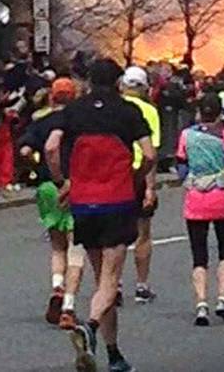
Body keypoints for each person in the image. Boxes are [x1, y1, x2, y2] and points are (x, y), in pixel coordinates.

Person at [46, 59, 155, 372]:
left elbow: (52, 146)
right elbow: (148, 154)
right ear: (118, 82)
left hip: (83, 201)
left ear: (89, 81)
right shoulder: (128, 112)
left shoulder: (73, 111)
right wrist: (138, 176)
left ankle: (113, 353)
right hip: (117, 200)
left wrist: (61, 182)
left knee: (99, 279)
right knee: (111, 281)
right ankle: (90, 327)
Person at [19, 77, 86, 329]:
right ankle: (68, 306)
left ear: (52, 96)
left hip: (47, 187)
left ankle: (57, 286)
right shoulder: (80, 122)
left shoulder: (41, 121)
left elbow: (25, 150)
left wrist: (35, 168)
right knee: (75, 246)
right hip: (74, 185)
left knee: (57, 245)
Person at [176, 94, 224, 326]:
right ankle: (222, 298)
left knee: (199, 254)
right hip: (221, 197)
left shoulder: (187, 135)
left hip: (196, 199)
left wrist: (192, 176)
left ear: (199, 112)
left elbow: (181, 163)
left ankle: (201, 303)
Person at [121, 66, 161, 305]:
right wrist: (150, 187)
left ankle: (113, 283)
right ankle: (141, 285)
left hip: (116, 174)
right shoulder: (149, 111)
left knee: (115, 233)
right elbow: (151, 153)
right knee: (143, 233)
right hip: (139, 173)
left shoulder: (114, 107)